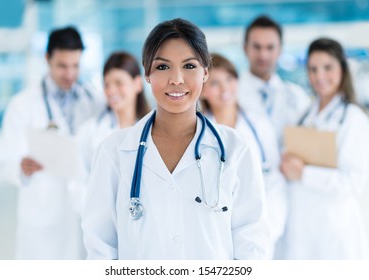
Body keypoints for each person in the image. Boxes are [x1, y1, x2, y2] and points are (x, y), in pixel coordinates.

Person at [82, 18, 269, 260]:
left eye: (189, 66)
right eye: (162, 67)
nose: (177, 79)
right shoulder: (114, 151)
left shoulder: (235, 149)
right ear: (147, 73)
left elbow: (252, 243)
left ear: (205, 73)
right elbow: (100, 248)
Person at [2, 26, 102, 259]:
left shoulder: (93, 100)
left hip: (82, 212)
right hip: (42, 214)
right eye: (62, 66)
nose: (70, 74)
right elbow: (10, 162)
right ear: (47, 59)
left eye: (75, 66)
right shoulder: (23, 105)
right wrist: (22, 167)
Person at [279, 38, 369, 259]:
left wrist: (304, 173)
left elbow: (353, 182)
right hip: (304, 229)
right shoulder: (307, 114)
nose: (319, 76)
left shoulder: (352, 118)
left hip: (334, 230)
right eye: (313, 69)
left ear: (342, 69)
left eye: (327, 67)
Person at [200, 53, 287, 259]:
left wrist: (267, 231)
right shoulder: (198, 132)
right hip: (214, 240)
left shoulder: (258, 124)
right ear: (201, 90)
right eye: (215, 83)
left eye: (230, 79)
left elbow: (274, 181)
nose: (225, 89)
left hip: (259, 236)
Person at [72, 52, 150, 212]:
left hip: (145, 222)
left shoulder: (154, 130)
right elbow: (77, 183)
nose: (111, 90)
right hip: (101, 221)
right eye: (106, 85)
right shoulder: (89, 131)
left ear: (137, 84)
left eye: (118, 83)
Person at [239, 15, 310, 146]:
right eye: (257, 47)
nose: (263, 55)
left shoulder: (296, 96)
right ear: (245, 48)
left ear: (280, 50)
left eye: (270, 47)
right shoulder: (230, 94)